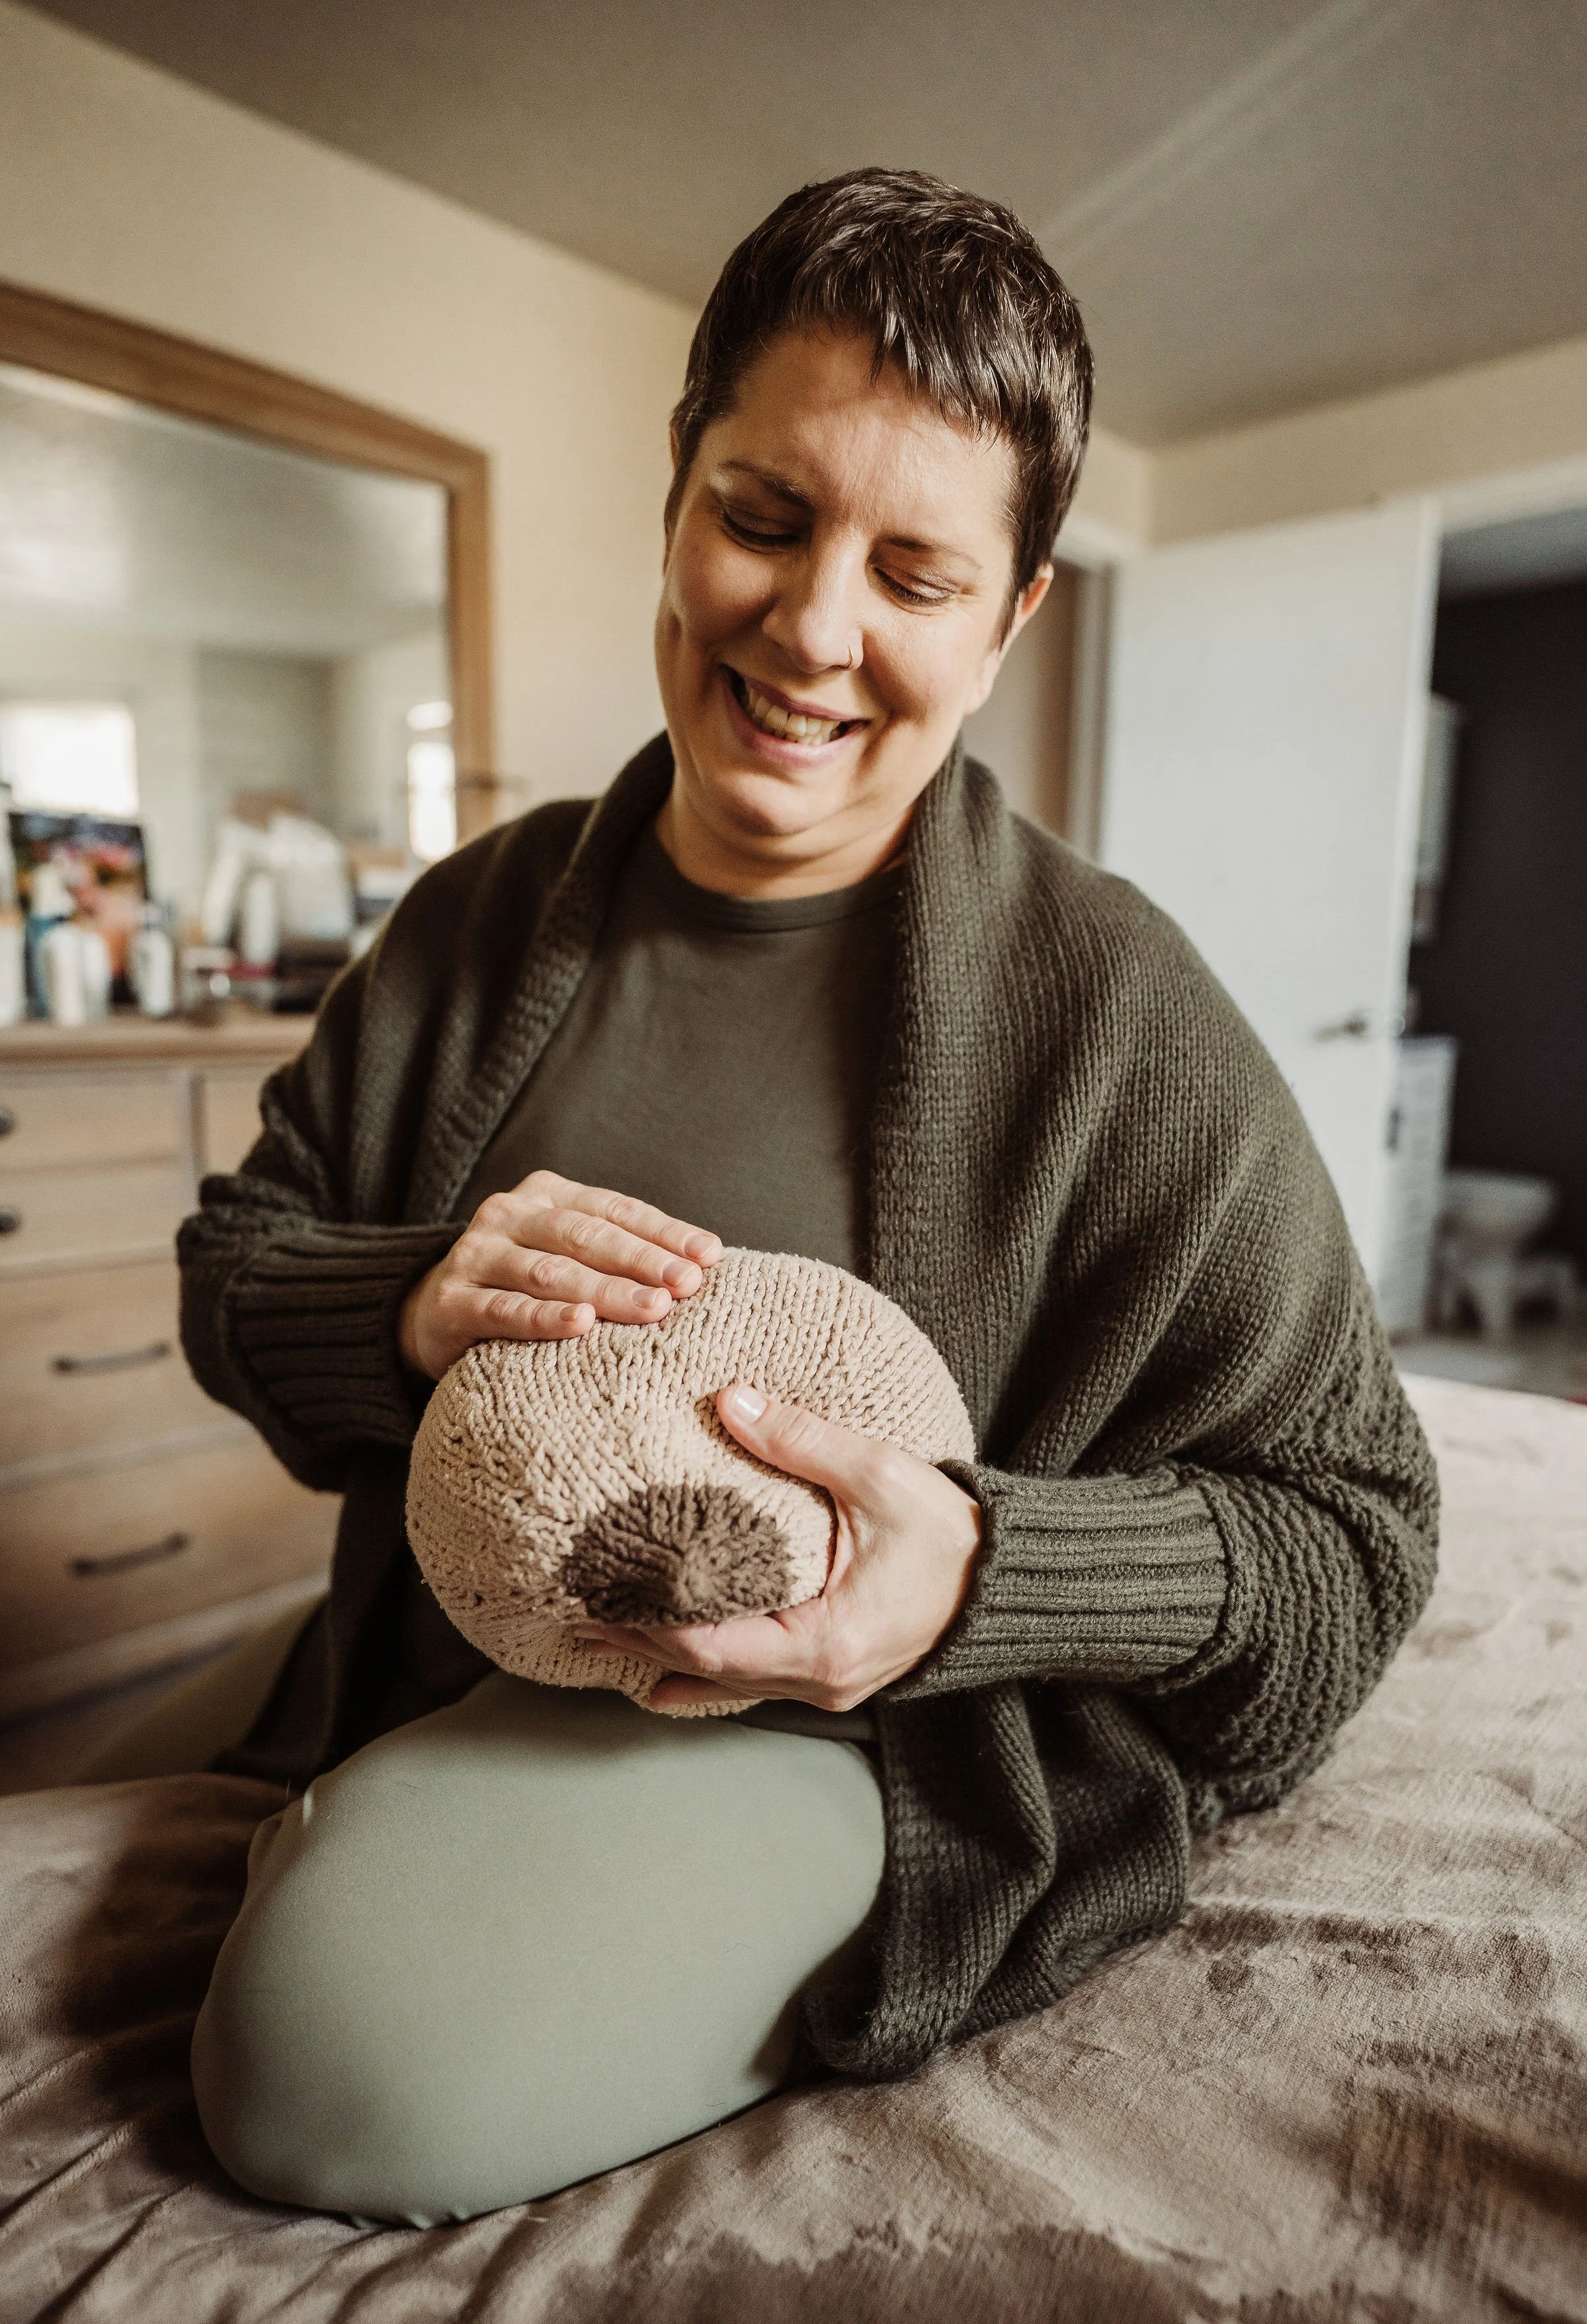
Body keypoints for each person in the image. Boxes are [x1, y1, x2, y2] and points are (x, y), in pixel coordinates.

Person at [164, 168, 1437, 2224]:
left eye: (916, 576)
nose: (813, 629)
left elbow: (1354, 1540)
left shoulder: (1116, 1013)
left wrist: (976, 1573)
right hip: (433, 1658)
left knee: (330, 2072)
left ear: (1014, 618)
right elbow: (239, 1268)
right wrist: (404, 1305)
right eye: (763, 518)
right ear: (677, 498)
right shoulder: (482, 918)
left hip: (838, 1746)